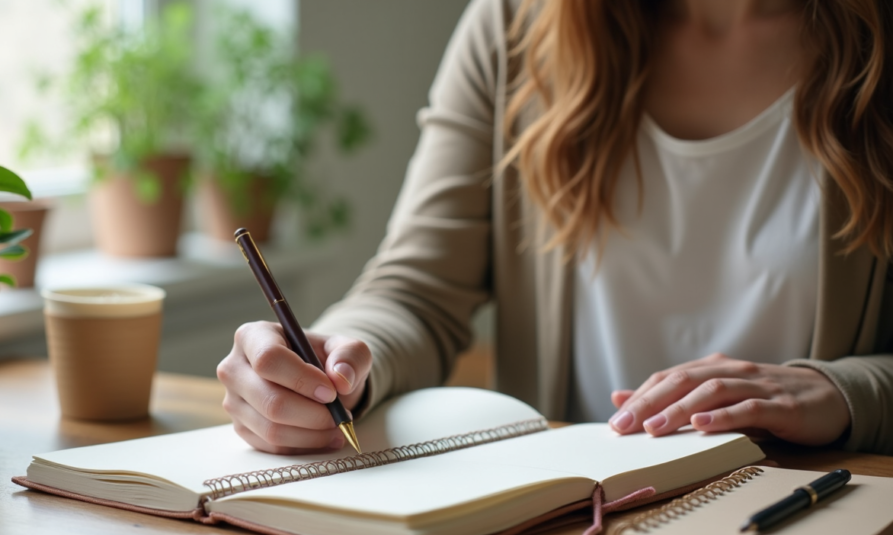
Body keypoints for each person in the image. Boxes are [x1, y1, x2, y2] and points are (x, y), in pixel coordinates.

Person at [216, 0, 893, 456]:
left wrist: (845, 390)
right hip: (572, 534)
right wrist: (341, 357)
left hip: (805, 515)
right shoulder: (516, 25)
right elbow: (416, 288)